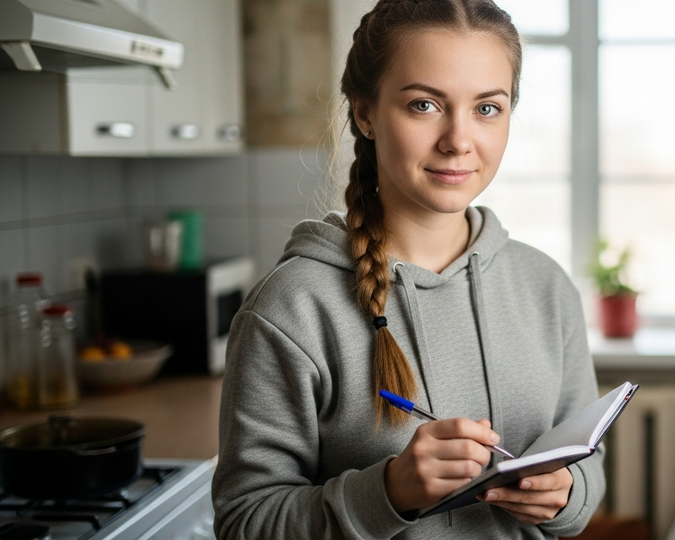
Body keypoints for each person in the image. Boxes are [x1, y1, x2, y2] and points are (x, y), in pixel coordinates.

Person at [211, 1, 604, 538]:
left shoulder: (546, 287)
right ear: (365, 113)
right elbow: (245, 523)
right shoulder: (292, 307)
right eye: (424, 105)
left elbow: (587, 465)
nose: (458, 140)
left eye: (487, 108)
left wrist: (566, 495)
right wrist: (388, 492)